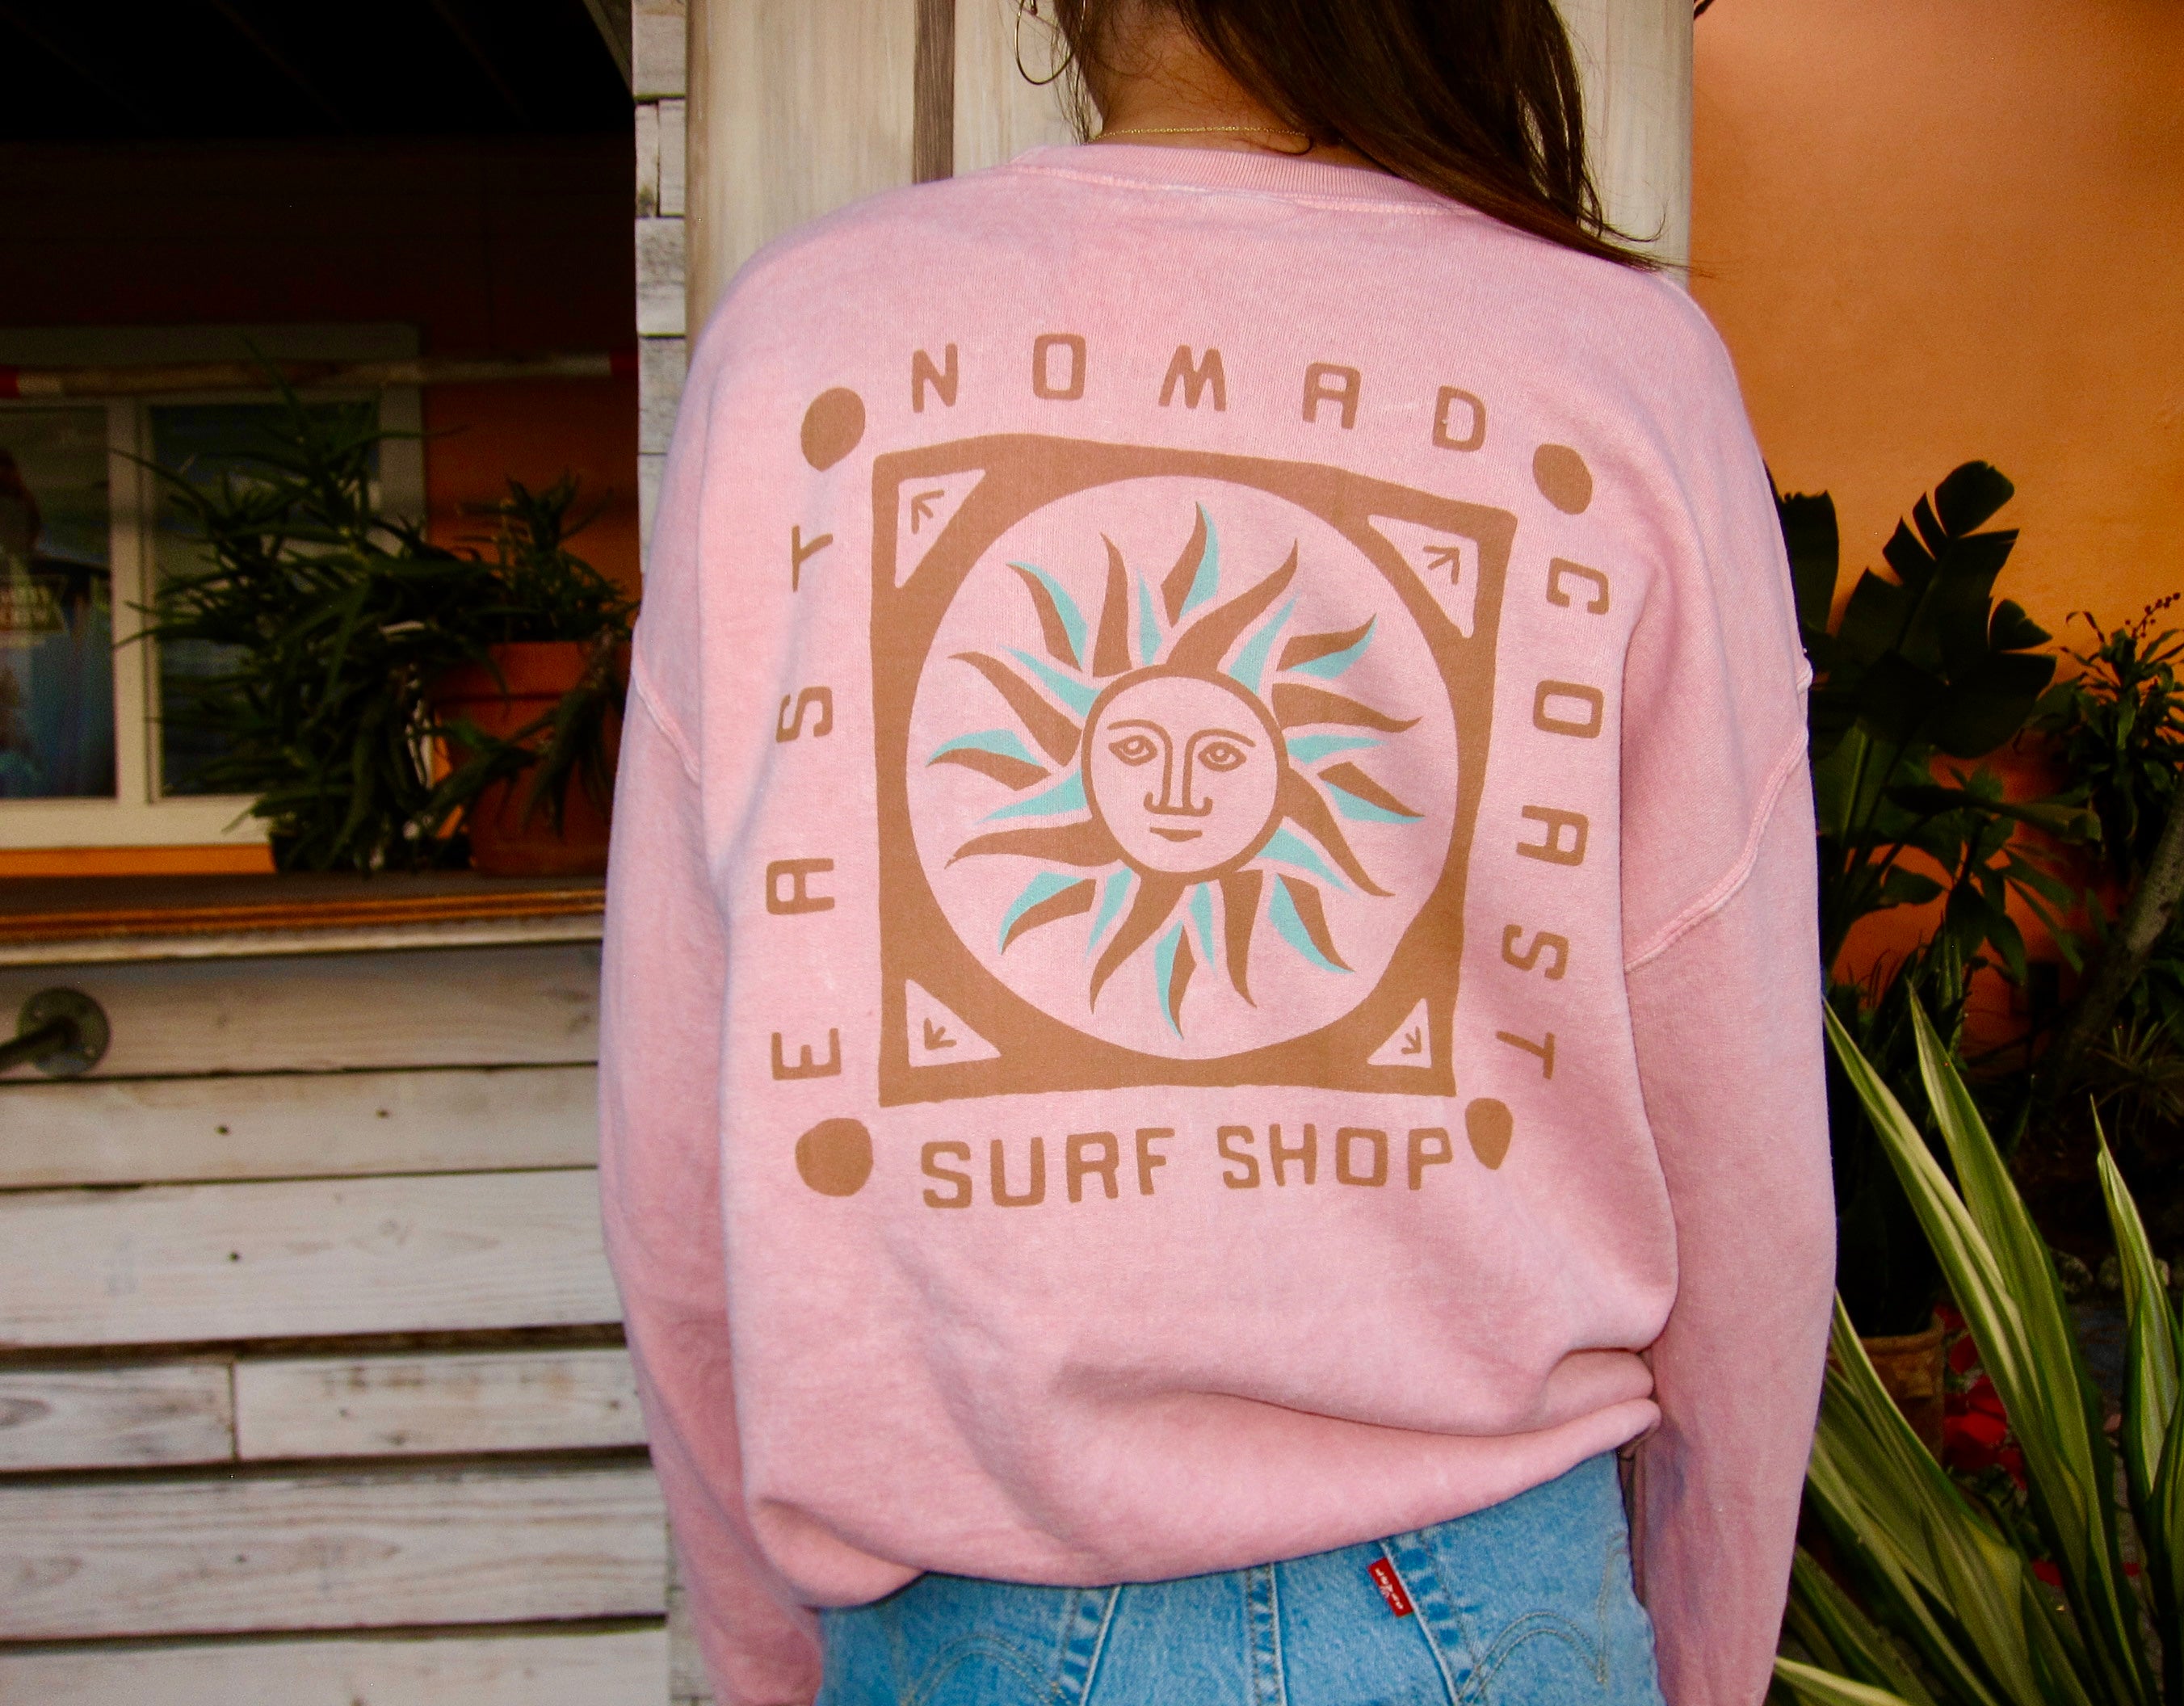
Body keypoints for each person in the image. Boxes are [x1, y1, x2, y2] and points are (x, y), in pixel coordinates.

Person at [599, 2, 1835, 1702]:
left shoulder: (808, 347)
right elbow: (1746, 1160)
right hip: (1494, 1618)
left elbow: (678, 1161)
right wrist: (1705, 1662)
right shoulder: (1621, 363)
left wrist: (764, 1656)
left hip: (961, 1629)